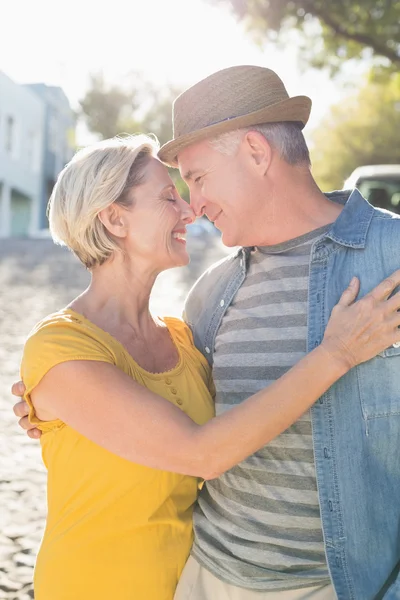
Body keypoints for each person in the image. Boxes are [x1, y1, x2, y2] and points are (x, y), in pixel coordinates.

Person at [12, 68, 400, 600]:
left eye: (193, 179)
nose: (190, 208)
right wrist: (336, 355)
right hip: (168, 583)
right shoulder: (207, 299)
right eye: (172, 192)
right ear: (114, 220)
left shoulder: (391, 260)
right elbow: (199, 450)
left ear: (257, 153)